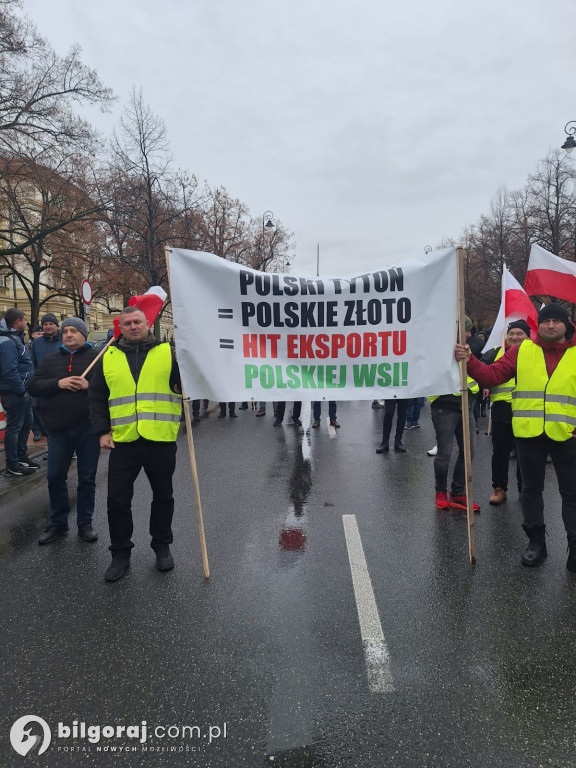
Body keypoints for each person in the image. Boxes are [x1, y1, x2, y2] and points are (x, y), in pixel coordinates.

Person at [457, 304, 576, 569]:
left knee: (572, 493)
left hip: (569, 435)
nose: (551, 325)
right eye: (546, 321)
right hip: (529, 433)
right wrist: (470, 360)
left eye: (557, 321)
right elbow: (491, 375)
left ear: (566, 325)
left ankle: (574, 547)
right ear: (539, 326)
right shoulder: (522, 350)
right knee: (530, 490)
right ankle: (536, 543)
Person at [89, 306, 182, 582]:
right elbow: (96, 397)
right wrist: (101, 431)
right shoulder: (109, 356)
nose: (133, 326)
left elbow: (185, 385)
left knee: (163, 497)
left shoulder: (169, 352)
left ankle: (162, 546)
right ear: (121, 327)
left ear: (147, 322)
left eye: (137, 321)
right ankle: (120, 553)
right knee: (117, 500)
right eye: (127, 323)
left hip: (160, 439)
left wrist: (185, 366)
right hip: (123, 440)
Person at [27, 318, 100, 544]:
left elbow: (109, 388)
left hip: (88, 429)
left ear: (84, 334)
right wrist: (58, 383)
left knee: (86, 478)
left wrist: (90, 386)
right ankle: (58, 523)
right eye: (66, 331)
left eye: (74, 331)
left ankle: (84, 523)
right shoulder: (49, 360)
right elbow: (33, 386)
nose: (69, 334)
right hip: (58, 430)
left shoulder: (98, 359)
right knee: (55, 477)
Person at [481, 320, 530, 506]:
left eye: (520, 334)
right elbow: (483, 371)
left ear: (528, 336)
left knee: (525, 453)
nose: (515, 337)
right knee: (500, 452)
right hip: (502, 410)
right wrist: (485, 384)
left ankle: (524, 489)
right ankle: (499, 488)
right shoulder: (495, 353)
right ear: (506, 336)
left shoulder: (535, 355)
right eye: (512, 334)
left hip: (527, 411)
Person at [429, 374, 480, 511]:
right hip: (443, 405)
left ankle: (458, 493)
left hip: (465, 403)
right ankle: (440, 492)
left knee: (469, 451)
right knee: (445, 453)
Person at [0, 308, 39, 477]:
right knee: (15, 426)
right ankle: (13, 464)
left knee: (26, 422)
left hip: (21, 390)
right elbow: (9, 370)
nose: (25, 322)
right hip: (15, 392)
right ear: (18, 321)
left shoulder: (13, 338)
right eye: (24, 320)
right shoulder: (8, 341)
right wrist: (20, 390)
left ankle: (22, 457)